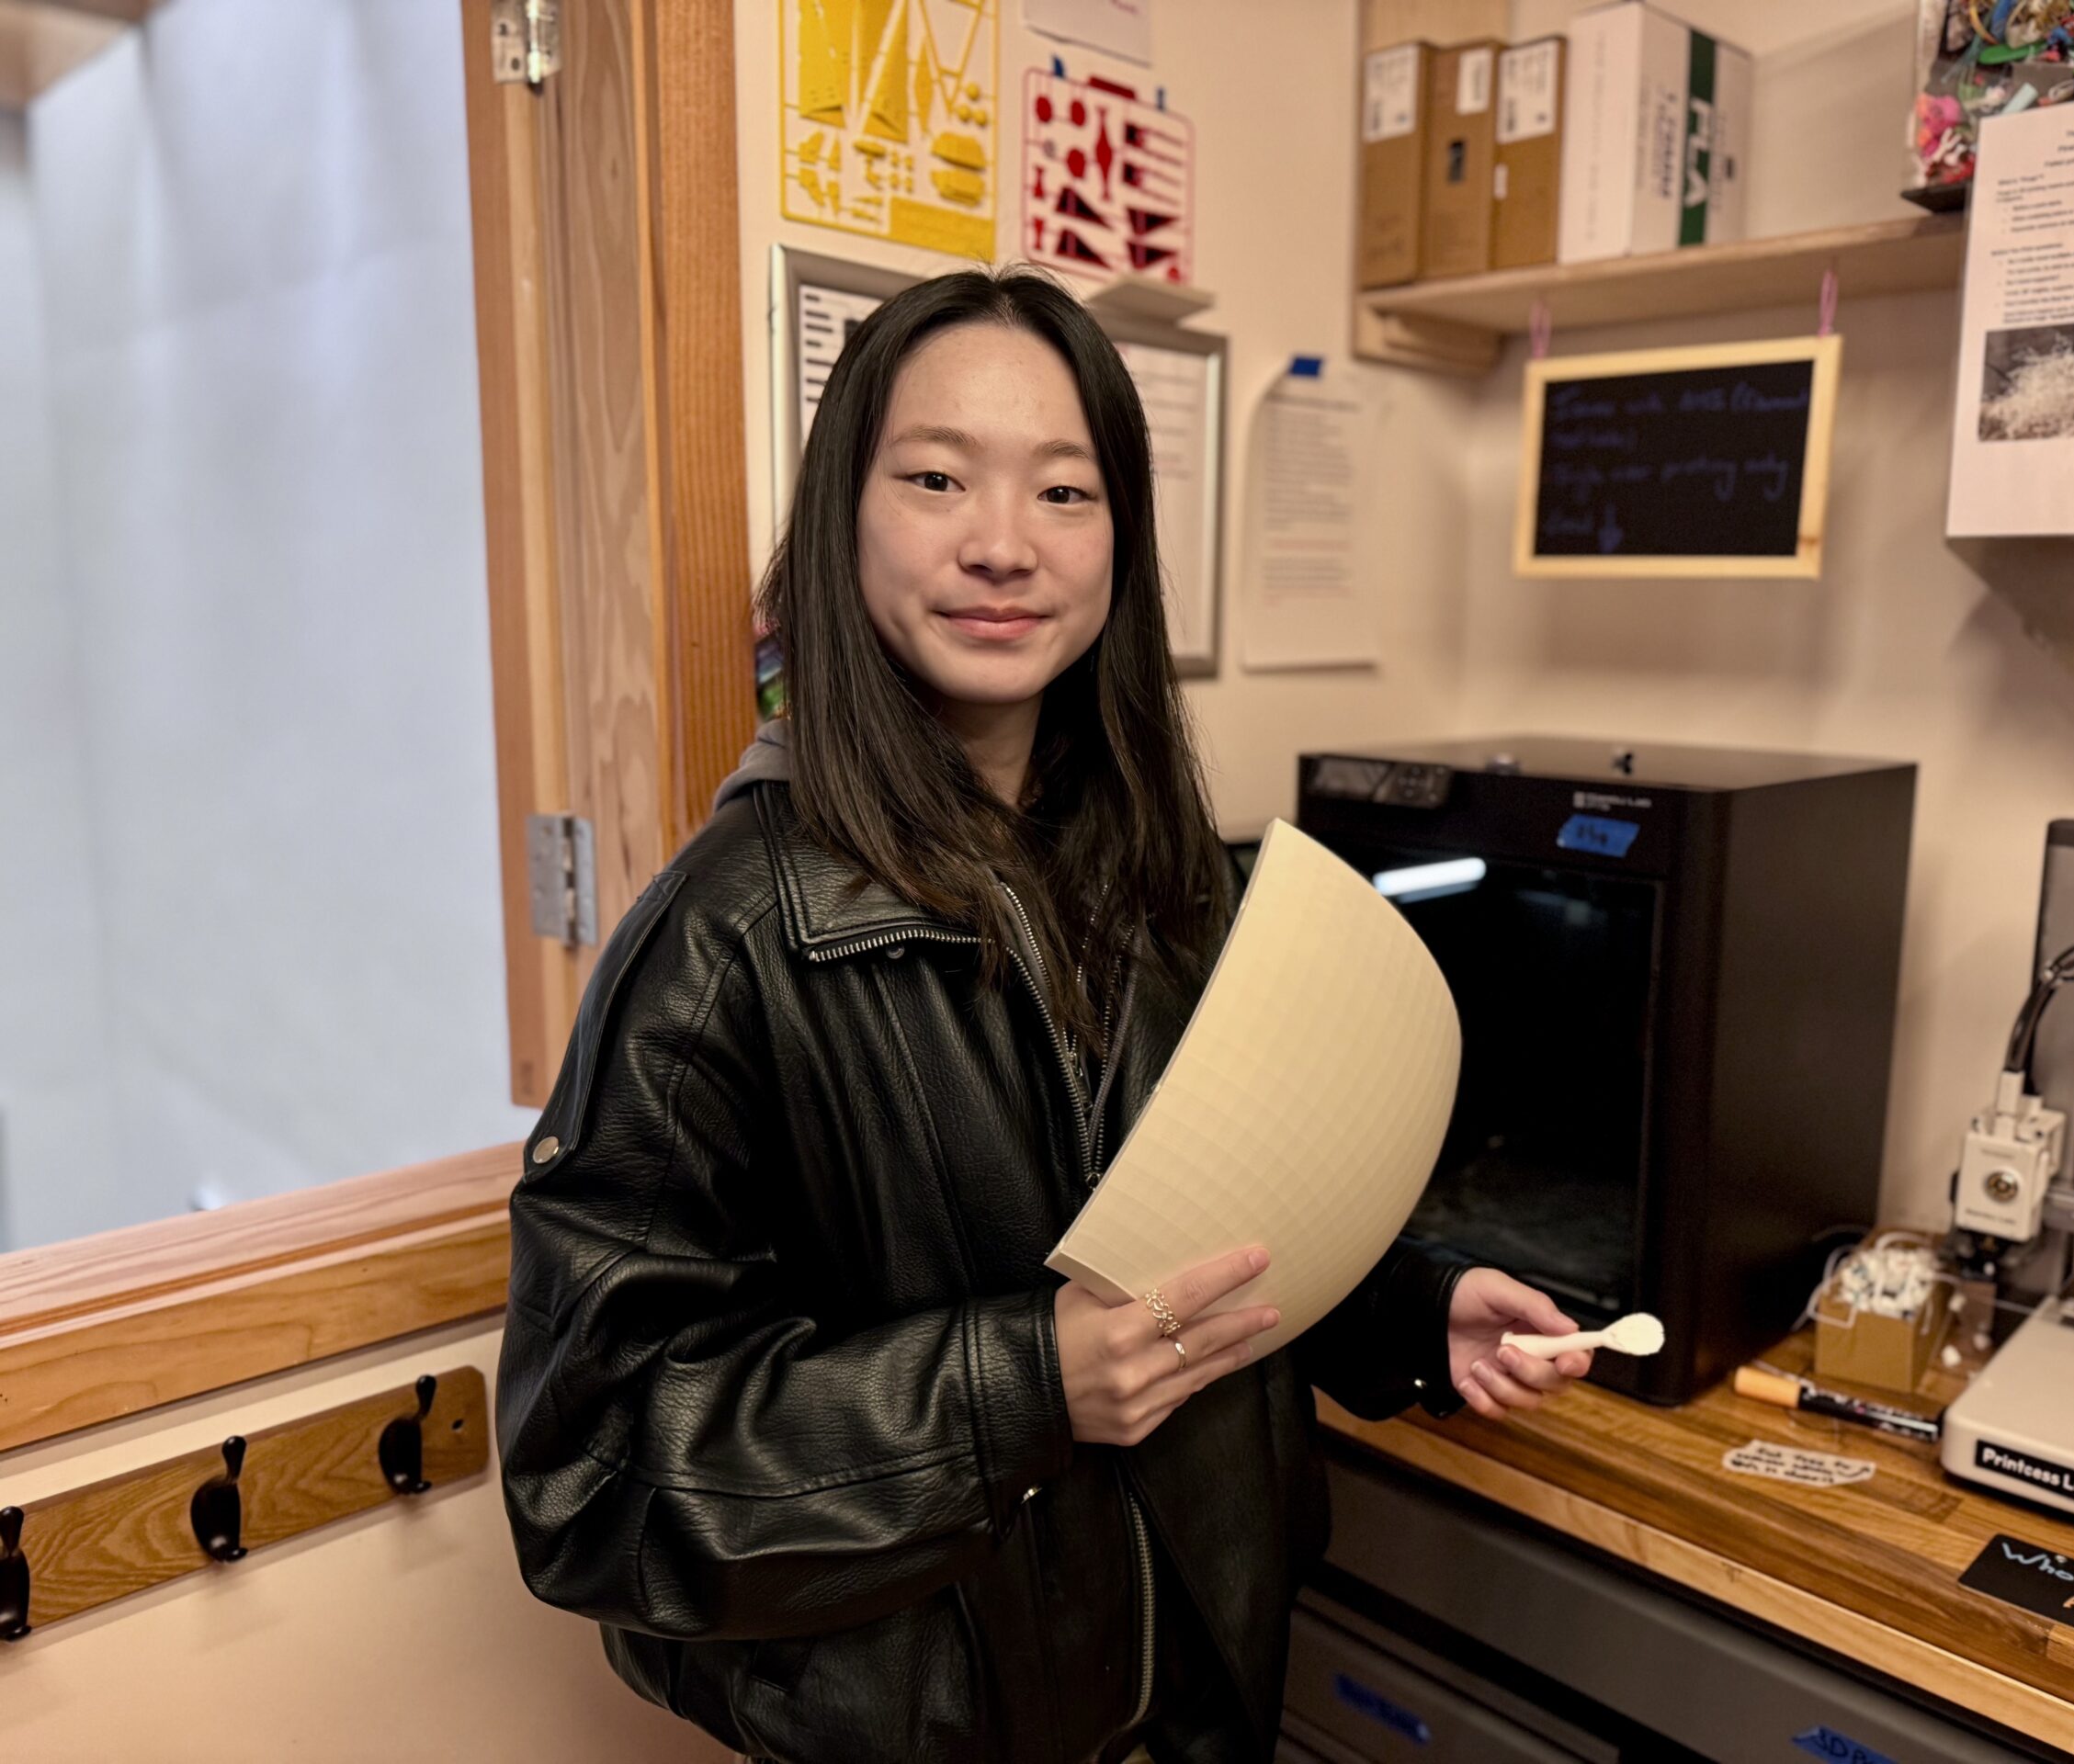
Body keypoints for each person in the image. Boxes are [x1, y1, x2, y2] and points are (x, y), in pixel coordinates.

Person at [494, 267, 1593, 1764]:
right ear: (845, 517)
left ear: (1121, 540)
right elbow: (593, 1476)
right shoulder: (728, 938)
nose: (1002, 546)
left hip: (1198, 1694)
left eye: (1065, 493)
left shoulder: (1167, 874)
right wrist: (1022, 1387)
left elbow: (1206, 1206)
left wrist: (1409, 1308)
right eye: (935, 477)